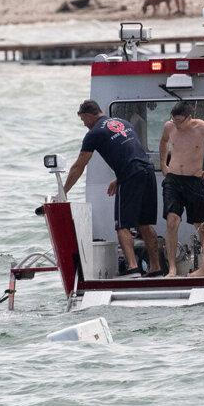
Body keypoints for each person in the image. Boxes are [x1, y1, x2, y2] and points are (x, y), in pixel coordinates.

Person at [64, 99, 161, 276]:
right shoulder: (122, 122)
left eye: (83, 120)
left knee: (122, 225)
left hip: (131, 175)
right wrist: (118, 179)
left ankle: (132, 268)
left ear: (87, 115)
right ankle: (156, 269)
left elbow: (79, 166)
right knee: (144, 224)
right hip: (147, 171)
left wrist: (63, 192)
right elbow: (132, 152)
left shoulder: (94, 133)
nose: (84, 124)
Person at [158, 101, 204, 277]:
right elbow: (164, 141)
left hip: (194, 179)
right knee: (172, 221)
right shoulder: (169, 126)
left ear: (190, 118)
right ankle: (172, 267)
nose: (177, 124)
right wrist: (163, 165)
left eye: (180, 121)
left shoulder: (203, 128)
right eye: (174, 120)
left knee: (200, 225)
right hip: (173, 179)